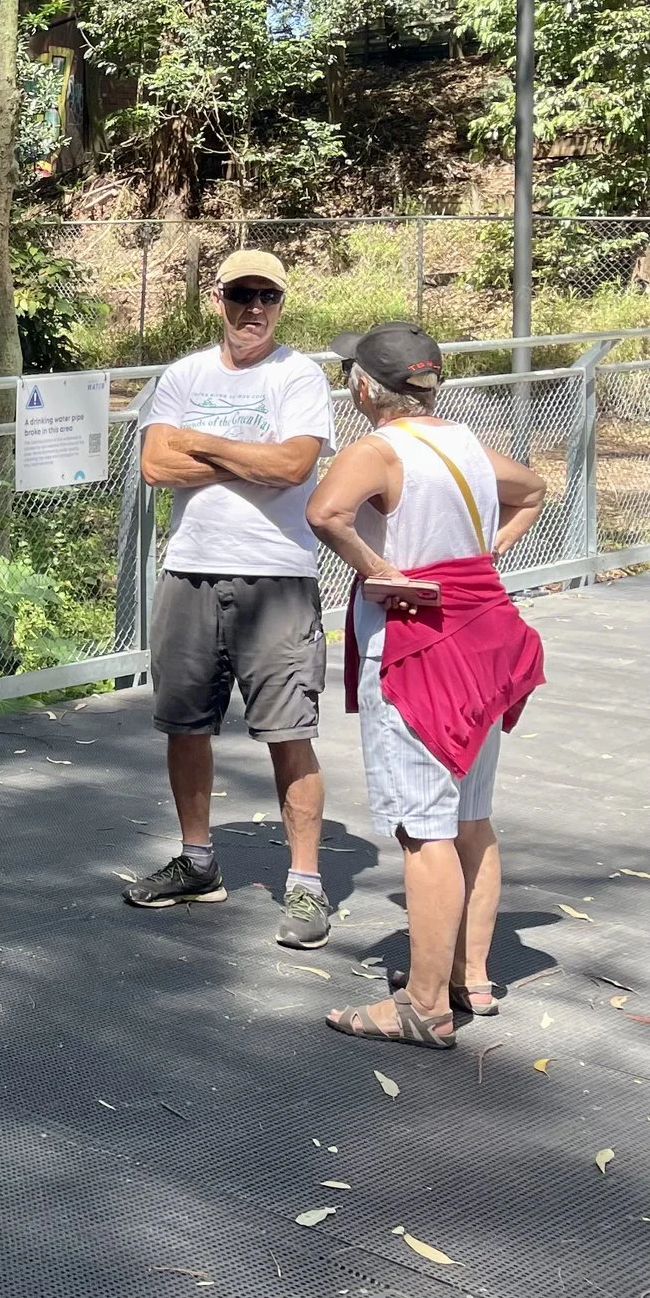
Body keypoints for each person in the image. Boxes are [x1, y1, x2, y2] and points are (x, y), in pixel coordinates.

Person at [307, 322, 546, 1049]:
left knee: (425, 829)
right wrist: (479, 557)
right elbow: (533, 488)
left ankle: (422, 1002)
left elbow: (326, 512)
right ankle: (472, 975)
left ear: (363, 387)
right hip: (482, 637)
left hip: (420, 646)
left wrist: (385, 573)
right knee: (471, 814)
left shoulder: (377, 450)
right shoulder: (466, 444)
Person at [124, 250, 338, 947]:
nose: (255, 308)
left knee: (287, 731)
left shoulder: (298, 375)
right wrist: (248, 454)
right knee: (185, 723)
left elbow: (291, 466)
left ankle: (305, 883)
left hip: (277, 575)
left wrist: (204, 444)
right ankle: (197, 861)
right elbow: (157, 465)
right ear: (217, 297)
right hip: (189, 570)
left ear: (281, 302)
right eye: (243, 294)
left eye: (267, 296)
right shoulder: (184, 373)